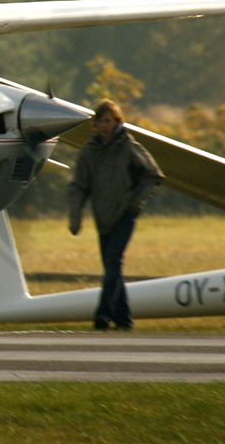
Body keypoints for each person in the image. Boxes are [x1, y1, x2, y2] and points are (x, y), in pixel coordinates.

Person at [67, 99, 164, 330]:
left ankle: (103, 314)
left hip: (124, 215)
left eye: (108, 120)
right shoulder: (89, 152)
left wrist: (134, 204)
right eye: (99, 121)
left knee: (113, 262)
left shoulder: (129, 147)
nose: (103, 125)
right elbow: (79, 186)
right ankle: (124, 321)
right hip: (103, 217)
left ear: (118, 121)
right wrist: (75, 216)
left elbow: (153, 175)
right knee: (113, 268)